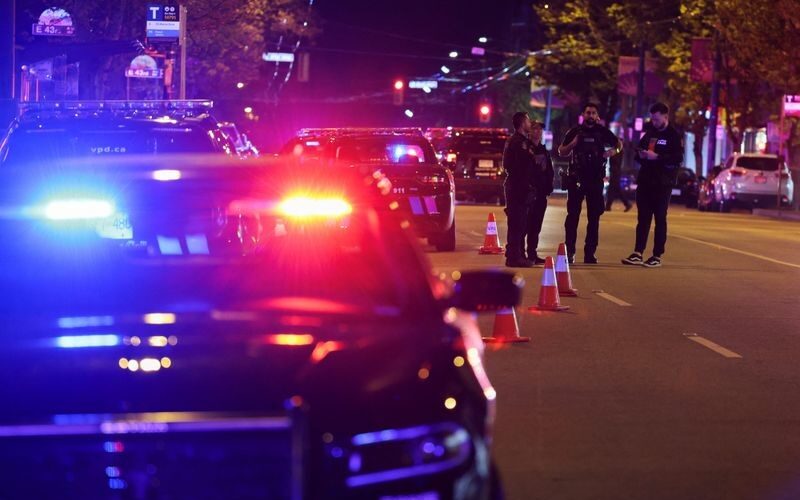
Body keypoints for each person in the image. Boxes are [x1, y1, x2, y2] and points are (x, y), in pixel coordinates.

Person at [558, 103, 622, 264]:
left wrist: (613, 152)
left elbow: (619, 144)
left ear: (597, 116)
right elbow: (561, 151)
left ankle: (590, 253)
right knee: (572, 217)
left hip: (595, 179)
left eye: (593, 113)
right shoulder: (574, 131)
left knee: (594, 219)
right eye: (588, 113)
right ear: (583, 114)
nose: (591, 115)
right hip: (577, 179)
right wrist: (573, 144)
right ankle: (569, 251)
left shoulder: (603, 132)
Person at [622, 102, 684, 268]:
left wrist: (657, 157)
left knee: (660, 218)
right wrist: (642, 155)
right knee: (643, 218)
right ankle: (638, 252)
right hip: (645, 180)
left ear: (665, 117)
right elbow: (638, 151)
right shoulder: (650, 133)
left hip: (663, 183)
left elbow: (677, 159)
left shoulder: (673, 136)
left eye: (657, 119)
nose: (654, 122)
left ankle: (657, 255)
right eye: (652, 119)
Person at [502, 112, 537, 268]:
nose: (530, 124)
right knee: (518, 223)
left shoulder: (512, 140)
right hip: (518, 186)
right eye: (528, 121)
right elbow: (521, 166)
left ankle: (515, 254)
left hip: (514, 185)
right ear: (523, 124)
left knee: (516, 222)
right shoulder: (520, 143)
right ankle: (514, 257)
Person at [522, 120, 554, 265]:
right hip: (528, 193)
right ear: (529, 131)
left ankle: (532, 253)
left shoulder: (543, 150)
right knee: (525, 225)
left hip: (541, 194)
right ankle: (520, 253)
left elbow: (549, 171)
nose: (538, 131)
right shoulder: (525, 148)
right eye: (535, 128)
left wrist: (548, 187)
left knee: (536, 225)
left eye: (540, 129)